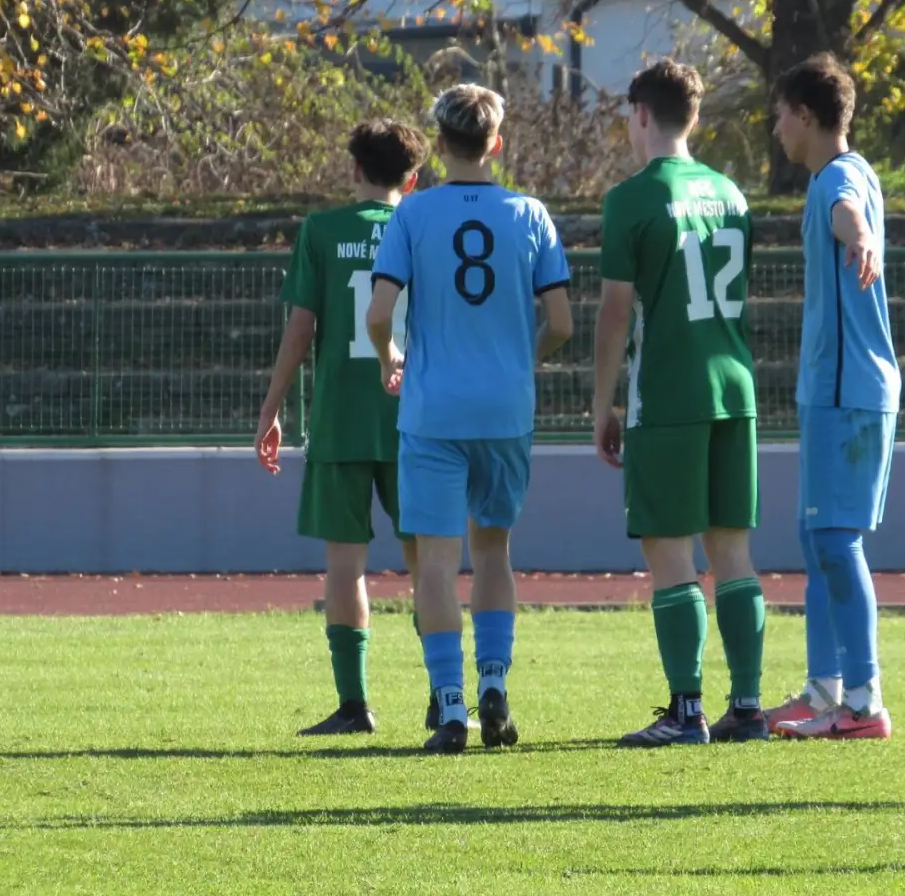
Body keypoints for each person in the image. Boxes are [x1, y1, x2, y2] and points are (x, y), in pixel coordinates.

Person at [368, 84, 574, 755]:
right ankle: (495, 684)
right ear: (496, 144)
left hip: (433, 410)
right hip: (504, 409)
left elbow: (378, 314)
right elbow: (563, 323)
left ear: (437, 146)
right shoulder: (532, 214)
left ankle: (450, 705)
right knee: (493, 549)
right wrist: (523, 359)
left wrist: (390, 355)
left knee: (434, 560)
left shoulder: (413, 214)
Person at [592, 59, 767, 747]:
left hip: (668, 389)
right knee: (733, 551)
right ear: (693, 116)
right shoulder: (732, 193)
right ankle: (747, 706)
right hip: (734, 385)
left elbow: (614, 313)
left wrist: (602, 402)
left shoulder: (631, 199)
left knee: (670, 552)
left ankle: (686, 710)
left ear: (641, 114)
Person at [256, 119, 431, 736]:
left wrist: (272, 407)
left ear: (354, 169)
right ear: (412, 179)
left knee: (345, 566)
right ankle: (445, 695)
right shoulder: (423, 226)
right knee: (426, 562)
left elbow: (300, 330)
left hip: (340, 421)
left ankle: (355, 705)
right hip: (417, 421)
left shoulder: (323, 231)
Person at [763, 51, 900, 741]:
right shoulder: (844, 172)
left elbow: (849, 215)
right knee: (816, 536)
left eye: (781, 115)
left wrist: (864, 235)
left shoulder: (838, 179)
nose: (776, 129)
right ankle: (825, 690)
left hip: (849, 391)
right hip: (836, 388)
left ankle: (864, 701)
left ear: (807, 115)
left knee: (836, 539)